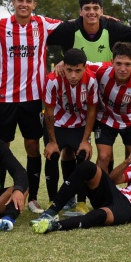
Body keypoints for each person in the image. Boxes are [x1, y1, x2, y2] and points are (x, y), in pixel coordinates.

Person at [0, 0, 63, 212]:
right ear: (13, 2)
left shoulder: (43, 23)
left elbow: (75, 28)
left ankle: (32, 197)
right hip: (4, 99)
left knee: (32, 146)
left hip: (32, 99)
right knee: (1, 147)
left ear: (34, 4)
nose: (24, 4)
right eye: (20, 0)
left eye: (28, 1)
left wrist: (63, 59)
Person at [31, 140, 131, 233]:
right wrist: (127, 162)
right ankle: (50, 213)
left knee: (99, 216)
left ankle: (53, 226)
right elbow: (112, 180)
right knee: (86, 167)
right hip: (118, 195)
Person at [42, 48, 98, 204]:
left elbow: (92, 112)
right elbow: (49, 113)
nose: (73, 75)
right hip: (58, 124)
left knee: (83, 155)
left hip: (79, 124)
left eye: (78, 71)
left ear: (85, 68)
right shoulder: (53, 79)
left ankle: (80, 203)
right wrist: (52, 142)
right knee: (52, 156)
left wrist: (86, 140)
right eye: (69, 70)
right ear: (63, 66)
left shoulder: (92, 80)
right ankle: (52, 202)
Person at [92, 42, 131, 173]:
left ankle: (130, 192)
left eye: (127, 64)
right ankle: (101, 192)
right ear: (112, 62)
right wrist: (62, 63)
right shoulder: (101, 70)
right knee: (103, 157)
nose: (122, 69)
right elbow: (79, 64)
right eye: (118, 63)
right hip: (106, 118)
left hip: (130, 121)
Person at [47, 0, 131, 63]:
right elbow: (41, 37)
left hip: (105, 86)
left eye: (95, 8)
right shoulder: (68, 29)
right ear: (80, 12)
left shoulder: (112, 27)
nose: (92, 12)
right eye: (87, 8)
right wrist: (63, 62)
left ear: (102, 11)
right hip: (77, 86)